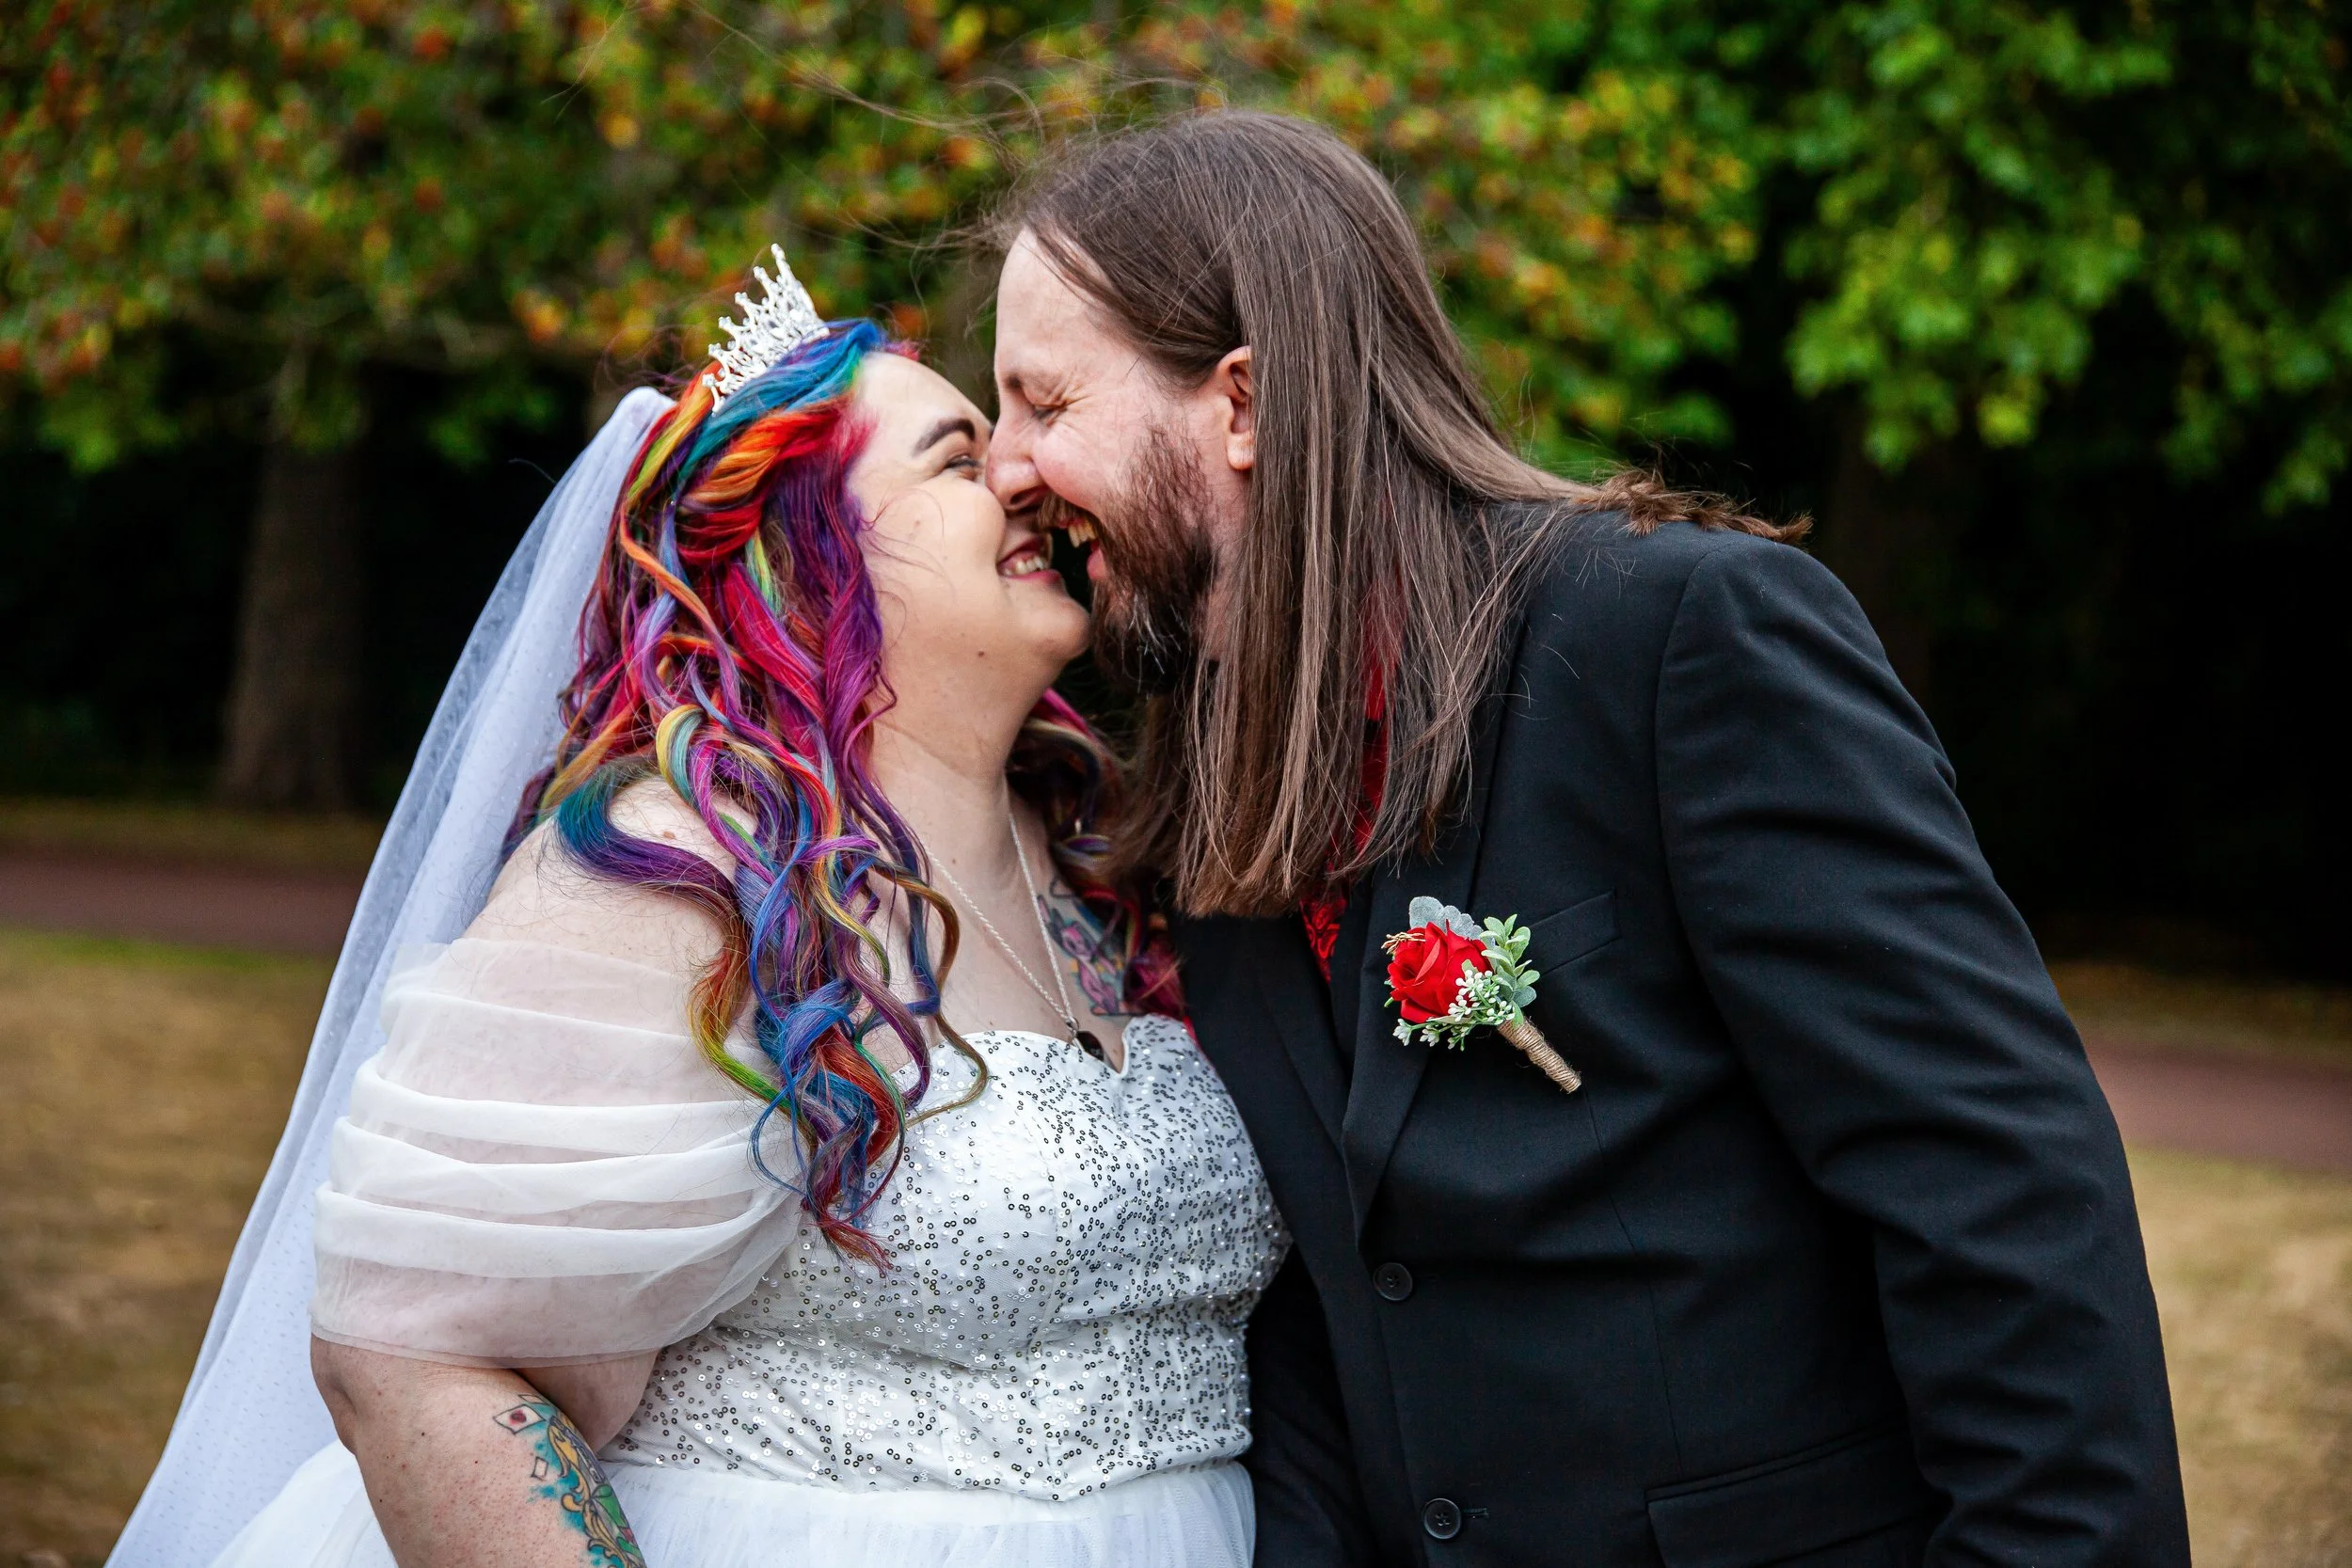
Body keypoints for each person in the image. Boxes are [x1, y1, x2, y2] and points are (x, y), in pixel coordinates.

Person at [983, 111, 2191, 1567]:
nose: (1004, 469)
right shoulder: (1213, 786)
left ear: (1243, 402)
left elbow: (2003, 1205)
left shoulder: (1677, 643)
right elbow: (1326, 1312)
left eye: (1041, 404)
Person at [112, 251, 1282, 1568]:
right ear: (810, 554)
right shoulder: (681, 876)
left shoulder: (1111, 865)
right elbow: (411, 1352)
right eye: (957, 459)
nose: (1025, 475)